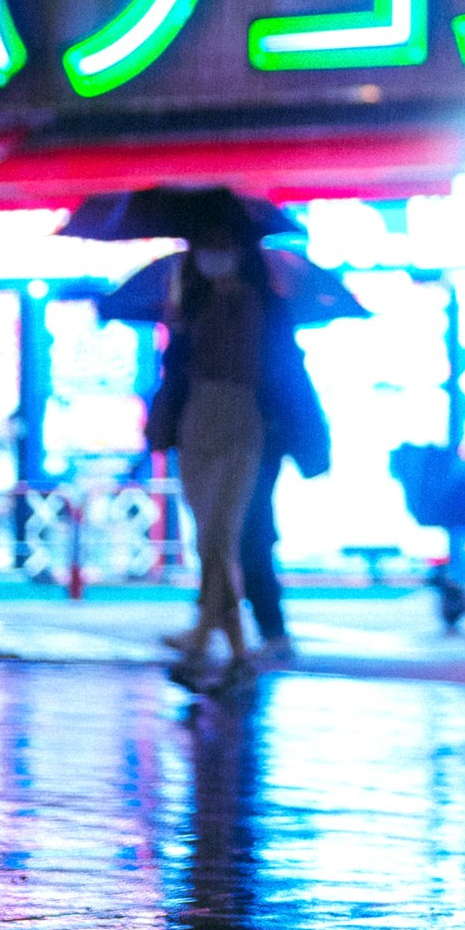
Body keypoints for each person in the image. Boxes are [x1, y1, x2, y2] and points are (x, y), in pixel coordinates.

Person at [147, 215, 271, 693]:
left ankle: (203, 642)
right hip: (197, 420)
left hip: (239, 418)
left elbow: (256, 361)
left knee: (221, 533)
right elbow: (175, 372)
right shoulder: (190, 304)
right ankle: (236, 653)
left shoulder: (252, 303)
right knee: (208, 540)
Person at [237, 289, 333, 666]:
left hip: (260, 437)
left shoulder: (267, 316)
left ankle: (266, 628)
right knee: (237, 534)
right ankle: (231, 623)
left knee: (250, 532)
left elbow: (292, 385)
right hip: (226, 435)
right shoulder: (204, 306)